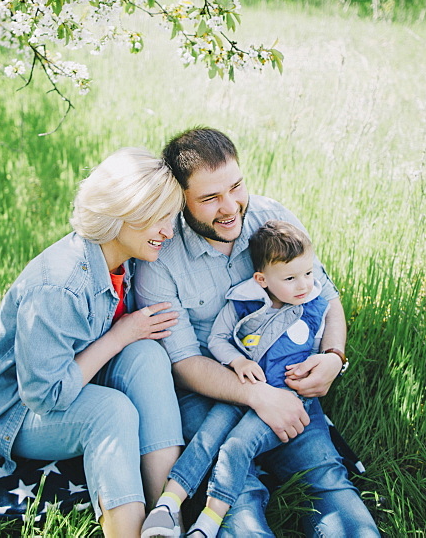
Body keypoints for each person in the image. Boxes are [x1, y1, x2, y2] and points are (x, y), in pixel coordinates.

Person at [134, 127, 375, 537]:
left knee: (328, 480)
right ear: (180, 200)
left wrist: (334, 357)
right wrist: (256, 395)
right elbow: (183, 360)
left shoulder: (272, 220)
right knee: (236, 502)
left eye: (236, 187)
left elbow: (326, 298)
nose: (230, 207)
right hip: (207, 395)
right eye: (210, 198)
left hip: (288, 384)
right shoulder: (159, 258)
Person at [0, 147, 186, 538]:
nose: (169, 230)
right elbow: (44, 396)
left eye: (171, 216)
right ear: (121, 214)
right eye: (159, 218)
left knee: (146, 353)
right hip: (15, 412)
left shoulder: (122, 256)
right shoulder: (59, 287)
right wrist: (118, 337)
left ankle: (169, 512)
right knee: (112, 412)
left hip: (73, 375)